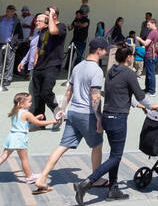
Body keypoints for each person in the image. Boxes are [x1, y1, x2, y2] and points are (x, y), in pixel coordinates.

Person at [75, 40, 154, 205]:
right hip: (118, 118)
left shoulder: (111, 71)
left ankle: (113, 189)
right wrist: (150, 106)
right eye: (132, 55)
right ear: (129, 57)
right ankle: (87, 183)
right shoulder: (129, 73)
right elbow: (140, 94)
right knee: (116, 156)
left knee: (114, 155)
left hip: (107, 117)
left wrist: (135, 104)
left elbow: (120, 92)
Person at [33, 34, 105, 195]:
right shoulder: (97, 71)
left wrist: (62, 109)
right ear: (99, 50)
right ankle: (97, 178)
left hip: (72, 112)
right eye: (104, 50)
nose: (105, 53)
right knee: (97, 146)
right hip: (87, 115)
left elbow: (68, 91)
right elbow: (95, 97)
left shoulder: (78, 67)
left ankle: (43, 177)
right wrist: (99, 117)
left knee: (62, 146)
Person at [0, 92, 58, 185]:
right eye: (29, 101)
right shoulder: (26, 113)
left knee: (2, 157)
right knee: (24, 159)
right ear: (21, 104)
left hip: (11, 137)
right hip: (20, 138)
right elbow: (38, 123)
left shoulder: (14, 111)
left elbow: (24, 124)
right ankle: (29, 177)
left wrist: (35, 117)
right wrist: (53, 121)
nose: (31, 103)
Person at [29, 7, 66, 129]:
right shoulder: (43, 31)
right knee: (37, 94)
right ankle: (40, 121)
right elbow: (39, 48)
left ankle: (58, 112)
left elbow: (53, 30)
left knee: (46, 92)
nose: (45, 17)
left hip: (52, 65)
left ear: (54, 16)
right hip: (39, 66)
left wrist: (50, 17)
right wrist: (34, 63)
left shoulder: (61, 27)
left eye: (47, 15)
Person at [139, 18, 158, 95]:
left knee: (150, 74)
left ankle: (152, 91)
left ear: (153, 24)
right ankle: (147, 89)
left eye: (148, 24)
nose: (147, 26)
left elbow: (146, 43)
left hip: (150, 55)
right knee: (149, 73)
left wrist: (139, 39)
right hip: (154, 55)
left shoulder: (152, 33)